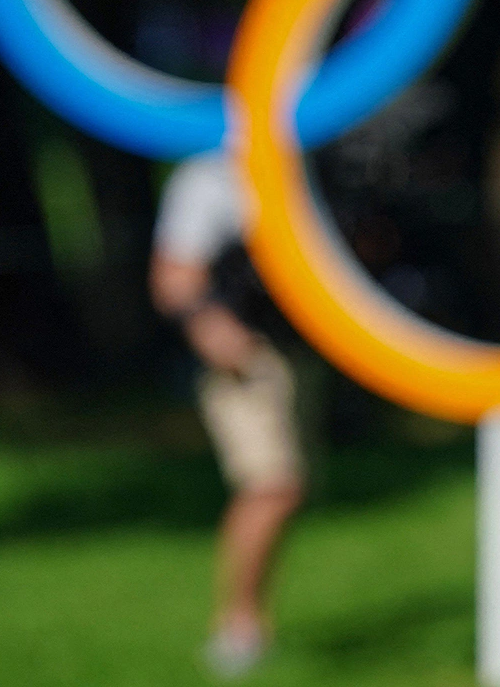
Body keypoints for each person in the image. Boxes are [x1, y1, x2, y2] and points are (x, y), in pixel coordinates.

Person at [150, 152, 305, 679]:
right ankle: (237, 629)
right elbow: (173, 272)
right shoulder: (212, 174)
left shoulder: (311, 157)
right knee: (270, 487)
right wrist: (210, 329)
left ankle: (250, 620)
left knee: (288, 489)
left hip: (300, 346)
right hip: (246, 355)